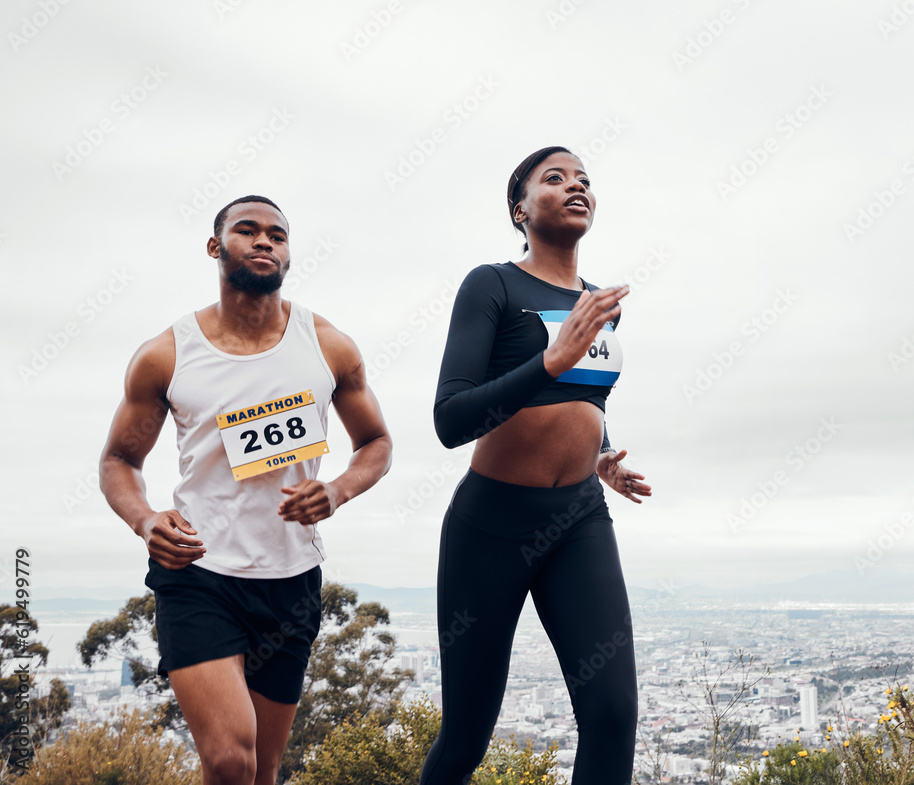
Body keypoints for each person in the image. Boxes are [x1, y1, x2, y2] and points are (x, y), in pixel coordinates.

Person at [99, 195, 392, 785]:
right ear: (216, 246)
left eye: (278, 236)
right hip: (199, 574)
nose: (265, 242)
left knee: (263, 770)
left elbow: (377, 444)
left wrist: (335, 491)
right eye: (248, 231)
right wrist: (145, 519)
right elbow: (119, 460)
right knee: (231, 759)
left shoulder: (328, 346)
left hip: (290, 582)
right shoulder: (167, 354)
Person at [420, 147, 651, 784]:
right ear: (521, 210)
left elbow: (585, 397)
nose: (575, 186)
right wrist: (550, 360)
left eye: (583, 180)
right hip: (491, 522)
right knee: (467, 735)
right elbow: (450, 419)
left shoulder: (602, 302)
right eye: (555, 178)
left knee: (611, 715)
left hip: (578, 519)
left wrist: (602, 454)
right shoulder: (491, 284)